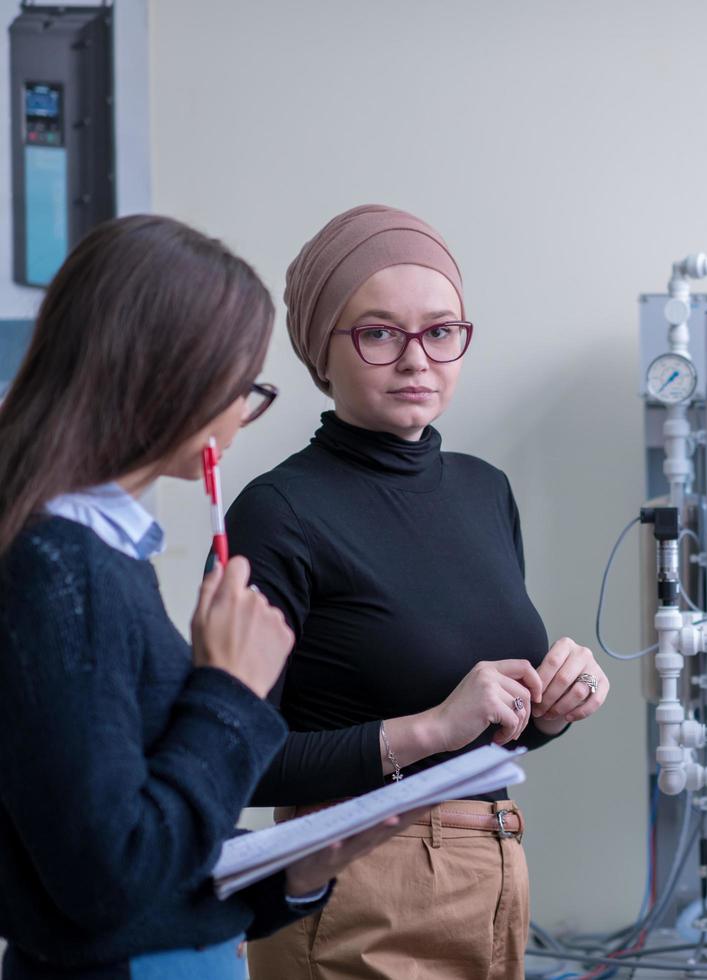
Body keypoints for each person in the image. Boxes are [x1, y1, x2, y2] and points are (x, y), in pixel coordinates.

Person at [0, 215, 404, 980]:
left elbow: (152, 848)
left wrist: (296, 873)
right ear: (177, 380)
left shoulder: (96, 556)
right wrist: (229, 691)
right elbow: (111, 880)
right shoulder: (61, 567)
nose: (242, 416)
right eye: (245, 386)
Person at [232, 205, 612, 980]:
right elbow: (239, 761)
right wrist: (432, 727)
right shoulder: (279, 512)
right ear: (321, 353)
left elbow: (488, 736)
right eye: (379, 333)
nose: (417, 360)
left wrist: (550, 710)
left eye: (441, 332)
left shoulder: (483, 491)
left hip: (494, 865)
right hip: (352, 885)